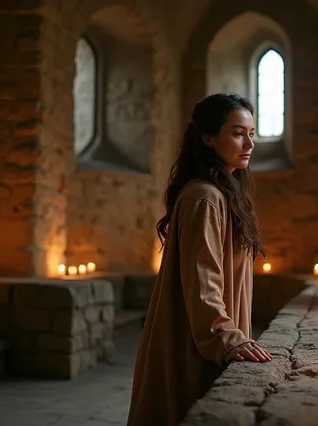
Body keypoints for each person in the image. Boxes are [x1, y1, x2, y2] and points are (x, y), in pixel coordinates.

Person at [127, 93, 273, 426]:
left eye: (252, 133)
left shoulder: (224, 195)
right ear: (208, 138)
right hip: (194, 343)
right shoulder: (204, 198)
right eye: (238, 133)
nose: (249, 142)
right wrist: (226, 339)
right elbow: (202, 279)